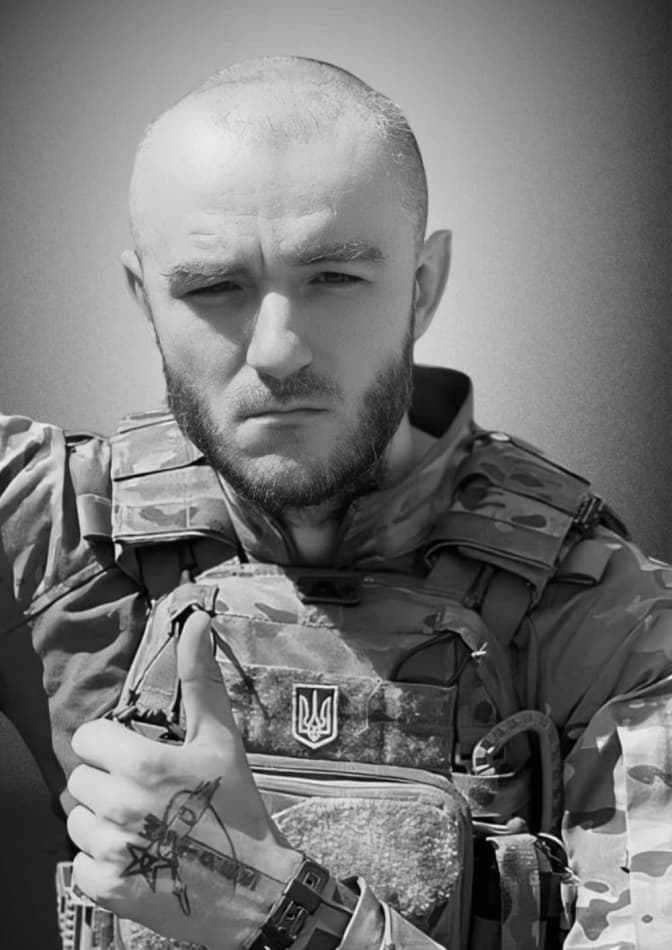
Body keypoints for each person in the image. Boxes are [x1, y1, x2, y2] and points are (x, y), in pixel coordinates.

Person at [1, 55, 671, 950]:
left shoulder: (615, 628)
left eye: (334, 278)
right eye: (213, 287)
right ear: (144, 297)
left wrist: (276, 909)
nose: (277, 349)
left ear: (422, 287)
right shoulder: (50, 530)